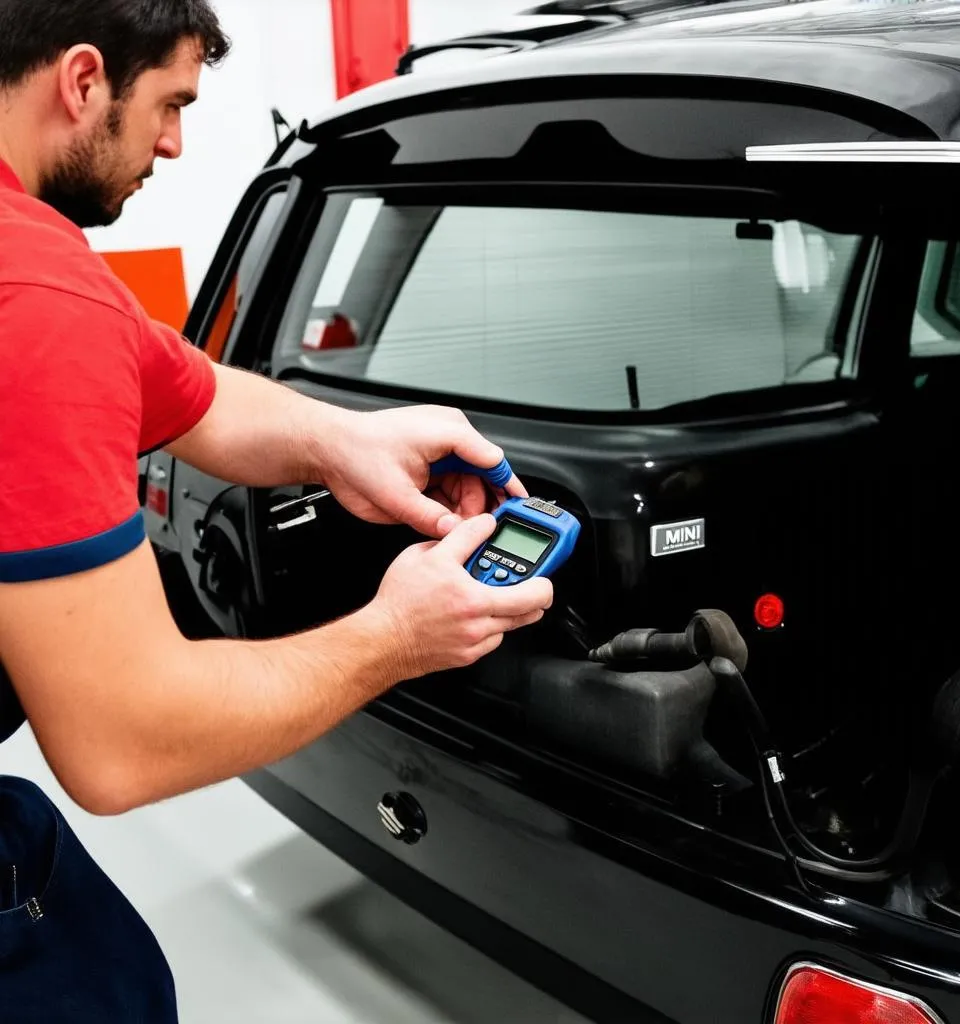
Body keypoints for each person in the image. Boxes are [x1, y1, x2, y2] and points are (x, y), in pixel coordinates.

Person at [0, 2, 554, 1019]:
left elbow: (194, 392)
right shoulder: (33, 293)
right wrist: (395, 637)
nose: (173, 142)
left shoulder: (34, 258)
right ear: (82, 82)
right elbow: (122, 742)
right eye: (167, 104)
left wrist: (348, 438)